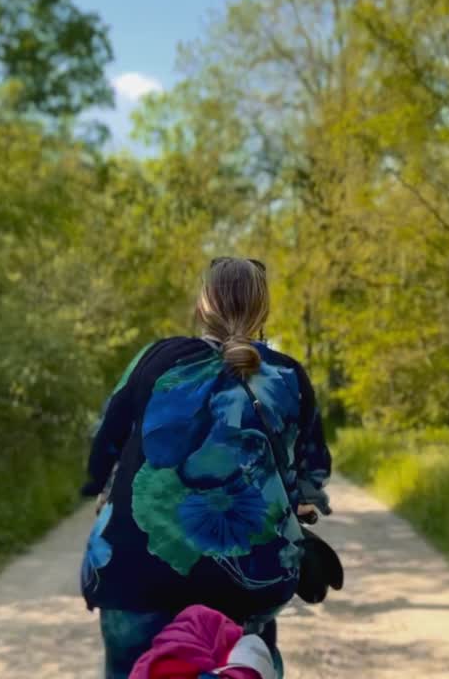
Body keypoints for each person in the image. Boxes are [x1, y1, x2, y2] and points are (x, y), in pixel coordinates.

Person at [79, 257, 332, 679]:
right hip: (248, 579)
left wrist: (104, 488)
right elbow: (310, 467)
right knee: (250, 661)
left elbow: (107, 438)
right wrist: (301, 501)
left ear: (202, 305)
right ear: (263, 312)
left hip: (135, 572)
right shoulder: (288, 376)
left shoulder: (156, 360)